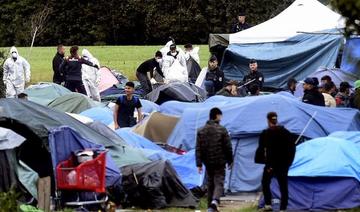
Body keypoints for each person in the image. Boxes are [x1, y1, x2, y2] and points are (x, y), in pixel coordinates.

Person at [255, 112, 296, 212]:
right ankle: (283, 208)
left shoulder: (266, 133)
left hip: (270, 165)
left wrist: (265, 162)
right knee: (283, 186)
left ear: (268, 121)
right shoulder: (286, 133)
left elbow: (262, 149)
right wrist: (289, 162)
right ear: (276, 120)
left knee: (265, 183)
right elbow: (292, 148)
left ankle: (268, 204)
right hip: (283, 165)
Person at [196, 108, 233, 212]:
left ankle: (210, 207)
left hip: (207, 161)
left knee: (210, 183)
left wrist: (199, 164)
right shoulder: (222, 130)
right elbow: (228, 147)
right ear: (217, 116)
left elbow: (198, 148)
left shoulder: (201, 130)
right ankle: (215, 201)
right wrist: (230, 160)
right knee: (219, 181)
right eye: (220, 116)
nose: (221, 118)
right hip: (220, 161)